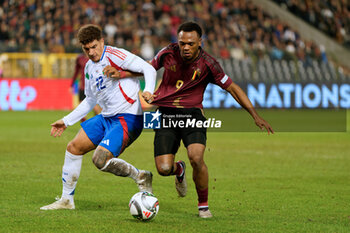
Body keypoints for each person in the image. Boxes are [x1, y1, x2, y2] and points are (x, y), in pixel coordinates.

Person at [107, 21, 274, 218]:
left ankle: (203, 205)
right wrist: (122, 73)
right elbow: (147, 68)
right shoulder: (168, 53)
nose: (185, 47)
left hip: (192, 114)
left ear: (199, 42)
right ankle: (179, 169)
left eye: (190, 44)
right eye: (182, 43)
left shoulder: (209, 64)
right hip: (165, 114)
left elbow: (233, 88)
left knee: (196, 157)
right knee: (163, 169)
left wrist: (255, 115)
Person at [40, 24, 157, 210]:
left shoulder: (116, 55)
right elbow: (90, 100)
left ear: (102, 41)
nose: (91, 52)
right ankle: (66, 200)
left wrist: (148, 91)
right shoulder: (88, 67)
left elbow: (149, 69)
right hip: (106, 117)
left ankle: (140, 176)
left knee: (99, 160)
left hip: (128, 117)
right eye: (86, 49)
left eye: (94, 46)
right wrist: (66, 120)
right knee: (73, 148)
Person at [71, 53, 101, 121]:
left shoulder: (96, 57)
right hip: (82, 87)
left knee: (96, 109)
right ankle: (85, 128)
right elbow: (76, 72)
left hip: (93, 87)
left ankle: (96, 124)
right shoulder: (80, 59)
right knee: (81, 112)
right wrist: (72, 84)